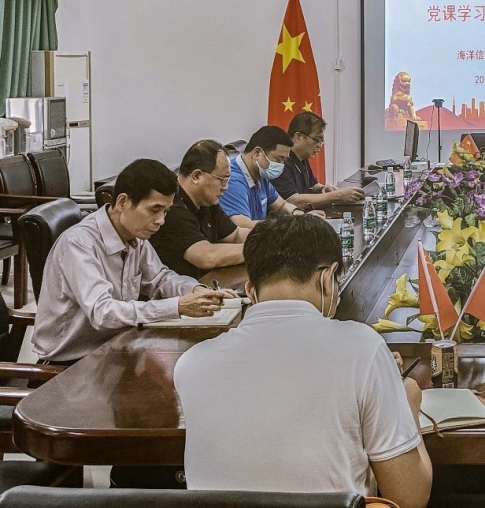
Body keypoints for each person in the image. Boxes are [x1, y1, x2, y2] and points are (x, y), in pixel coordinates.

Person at [175, 215, 432, 507]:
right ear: (327, 278)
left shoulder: (191, 364)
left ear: (250, 291)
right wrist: (406, 403)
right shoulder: (363, 348)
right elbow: (409, 498)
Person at [33, 159, 232, 365]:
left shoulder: (134, 235)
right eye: (154, 210)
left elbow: (160, 279)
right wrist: (177, 306)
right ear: (122, 202)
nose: (161, 220)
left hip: (117, 347)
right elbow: (103, 313)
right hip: (71, 364)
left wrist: (196, 290)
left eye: (166, 211)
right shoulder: (79, 244)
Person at [150, 139, 251, 279]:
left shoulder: (207, 201)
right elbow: (207, 257)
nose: (225, 187)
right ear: (197, 176)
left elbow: (235, 235)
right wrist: (258, 248)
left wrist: (270, 235)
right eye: (222, 180)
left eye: (227, 180)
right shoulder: (172, 209)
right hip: (179, 288)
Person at [219, 125, 325, 228]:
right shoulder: (233, 181)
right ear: (257, 153)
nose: (281, 165)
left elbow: (281, 206)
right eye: (278, 159)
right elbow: (242, 225)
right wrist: (288, 225)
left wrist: (302, 216)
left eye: (284, 161)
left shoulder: (261, 174)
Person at [273, 111, 365, 210]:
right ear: (298, 137)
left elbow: (312, 185)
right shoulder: (281, 162)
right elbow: (293, 201)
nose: (319, 146)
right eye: (317, 140)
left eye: (321, 142)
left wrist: (323, 188)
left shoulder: (302, 158)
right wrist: (338, 195)